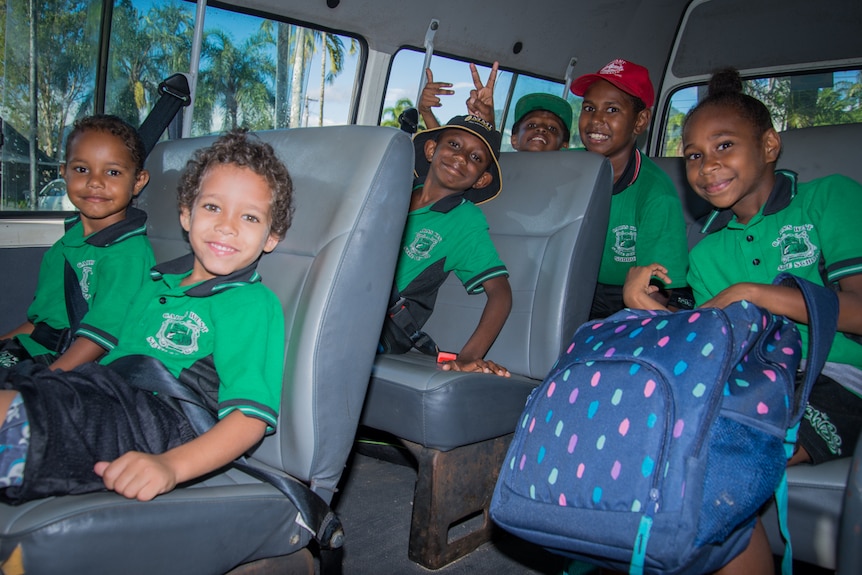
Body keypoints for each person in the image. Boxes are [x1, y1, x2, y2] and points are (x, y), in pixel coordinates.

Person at [622, 68, 862, 575]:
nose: (708, 166)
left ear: (769, 145)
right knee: (651, 447)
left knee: (709, 472)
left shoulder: (828, 200)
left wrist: (755, 293)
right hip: (757, 382)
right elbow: (717, 341)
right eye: (693, 155)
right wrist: (652, 310)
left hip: (838, 380)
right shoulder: (709, 252)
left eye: (724, 145)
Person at [0, 129, 293, 503]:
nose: (227, 226)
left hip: (156, 419)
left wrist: (171, 466)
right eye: (213, 207)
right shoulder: (158, 282)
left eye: (250, 217)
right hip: (103, 390)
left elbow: (249, 419)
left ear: (272, 237)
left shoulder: (251, 304)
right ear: (187, 215)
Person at [0, 115, 155, 372]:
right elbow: (42, 323)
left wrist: (46, 382)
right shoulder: (66, 245)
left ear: (138, 181)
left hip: (72, 364)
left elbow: (99, 339)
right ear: (64, 173)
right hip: (37, 349)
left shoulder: (128, 254)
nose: (95, 181)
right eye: (82, 169)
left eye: (113, 172)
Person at [379, 115, 512, 377]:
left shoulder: (464, 220)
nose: (461, 158)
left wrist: (470, 356)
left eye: (475, 158)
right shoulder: (395, 189)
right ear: (431, 150)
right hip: (349, 298)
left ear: (482, 180)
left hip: (385, 325)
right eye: (454, 144)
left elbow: (501, 293)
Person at [570, 58, 690, 319]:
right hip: (569, 284)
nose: (596, 120)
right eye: (589, 108)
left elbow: (660, 288)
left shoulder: (656, 194)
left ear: (640, 121)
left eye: (612, 110)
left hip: (623, 297)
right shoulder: (567, 169)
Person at [419, 62, 573, 152]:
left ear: (564, 146)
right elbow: (444, 151)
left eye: (552, 128)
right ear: (514, 140)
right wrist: (426, 112)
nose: (541, 129)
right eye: (531, 125)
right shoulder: (499, 169)